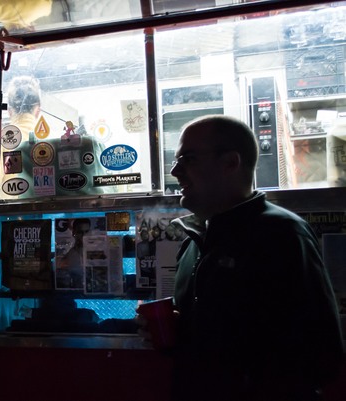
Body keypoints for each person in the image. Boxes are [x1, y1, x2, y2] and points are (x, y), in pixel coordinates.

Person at [139, 115, 343, 401]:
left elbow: (321, 353)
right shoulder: (195, 240)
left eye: (188, 159)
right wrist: (177, 332)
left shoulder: (282, 233)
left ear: (230, 163)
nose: (175, 171)